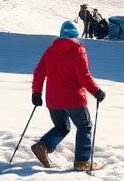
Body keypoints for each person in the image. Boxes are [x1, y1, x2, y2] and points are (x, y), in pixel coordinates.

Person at [30, 20, 106, 171]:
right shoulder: (78, 50)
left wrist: (36, 93)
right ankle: (82, 161)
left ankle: (43, 146)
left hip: (53, 100)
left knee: (61, 127)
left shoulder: (50, 51)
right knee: (85, 126)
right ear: (76, 36)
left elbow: (39, 72)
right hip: (74, 99)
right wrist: (96, 91)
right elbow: (84, 76)